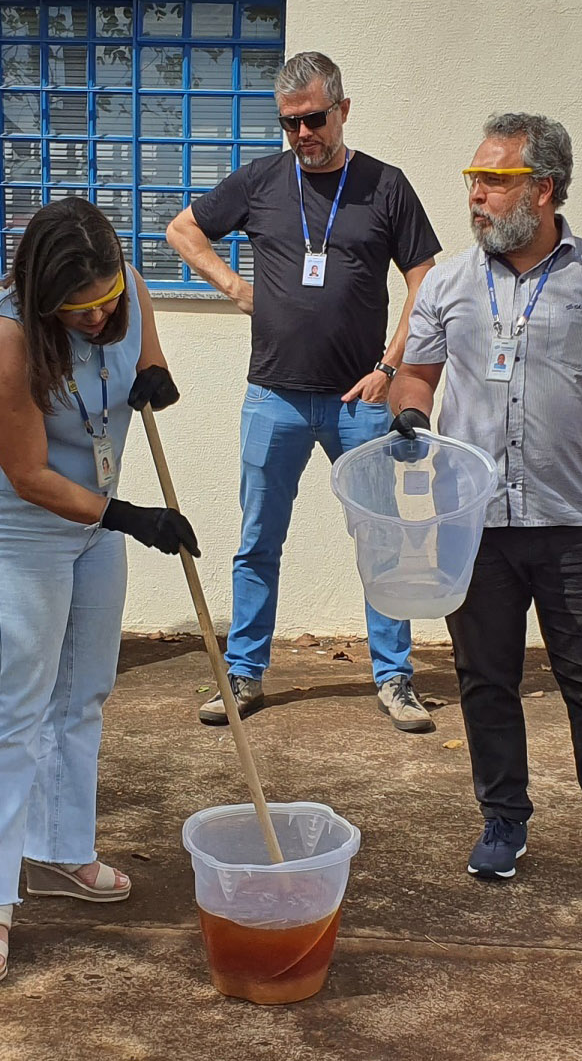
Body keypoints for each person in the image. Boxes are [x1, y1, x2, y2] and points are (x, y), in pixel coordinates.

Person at [389, 112, 582, 904]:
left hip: (574, 523)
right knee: (483, 681)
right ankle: (503, 823)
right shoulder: (450, 283)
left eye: (492, 181)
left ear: (543, 187)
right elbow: (416, 376)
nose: (476, 197)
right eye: (473, 180)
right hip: (476, 524)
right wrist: (409, 418)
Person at [166, 50, 442, 733]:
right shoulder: (261, 181)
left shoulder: (384, 186)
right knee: (257, 539)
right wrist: (232, 286)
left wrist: (389, 364)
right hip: (273, 397)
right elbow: (183, 229)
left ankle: (394, 676)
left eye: (313, 119)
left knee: (380, 537)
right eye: (289, 123)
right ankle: (244, 671)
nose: (301, 134)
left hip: (359, 401)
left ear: (342, 110)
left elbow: (425, 281)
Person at [0, 198, 191, 985]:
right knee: (14, 700)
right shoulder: (2, 336)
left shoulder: (123, 285)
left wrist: (152, 366)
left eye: (105, 304)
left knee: (83, 690)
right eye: (78, 311)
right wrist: (131, 517)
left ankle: (57, 852)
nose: (98, 319)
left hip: (92, 514)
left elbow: (140, 321)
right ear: (42, 295)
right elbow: (26, 475)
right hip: (18, 521)